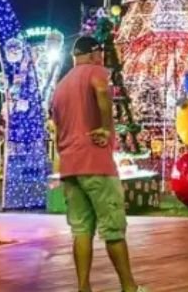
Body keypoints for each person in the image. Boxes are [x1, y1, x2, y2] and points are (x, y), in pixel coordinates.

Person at [50, 36, 147, 292]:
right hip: (96, 163)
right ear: (93, 53)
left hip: (70, 166)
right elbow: (102, 89)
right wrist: (104, 127)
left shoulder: (60, 86)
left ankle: (83, 287)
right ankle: (129, 287)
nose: (102, 57)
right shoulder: (95, 72)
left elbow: (56, 126)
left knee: (81, 230)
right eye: (100, 52)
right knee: (113, 228)